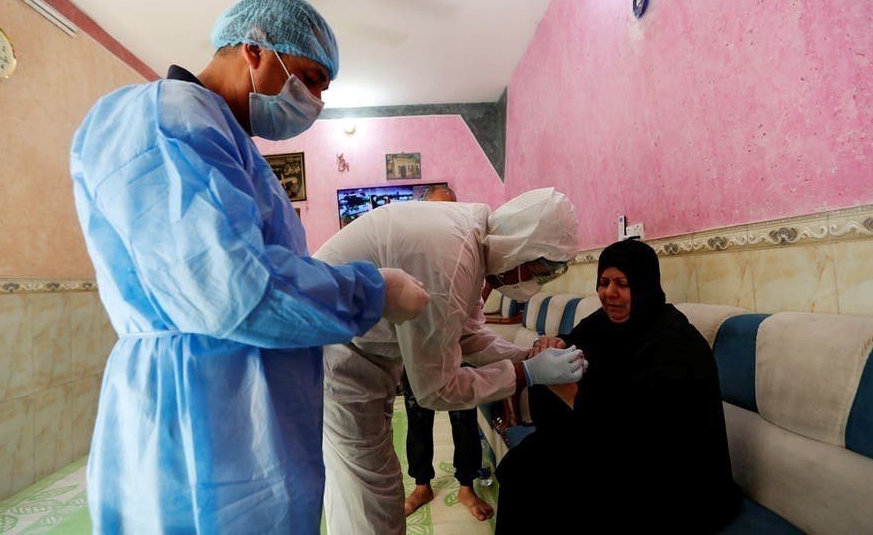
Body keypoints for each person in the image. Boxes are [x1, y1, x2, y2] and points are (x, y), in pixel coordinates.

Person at [69, 0, 428, 532]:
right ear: (254, 49)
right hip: (198, 415)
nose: (315, 101)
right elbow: (233, 288)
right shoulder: (163, 118)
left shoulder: (231, 146)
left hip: (250, 415)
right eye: (310, 78)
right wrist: (372, 291)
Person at [314, 187, 587, 534]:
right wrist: (526, 372)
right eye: (540, 272)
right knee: (371, 498)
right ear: (521, 249)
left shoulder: (470, 239)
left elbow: (466, 333)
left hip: (360, 353)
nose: (536, 284)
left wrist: (526, 354)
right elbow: (435, 390)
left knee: (360, 485)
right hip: (337, 355)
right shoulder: (452, 259)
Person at [494, 238, 742, 534]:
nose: (609, 293)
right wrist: (554, 344)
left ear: (644, 286)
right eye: (603, 282)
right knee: (523, 465)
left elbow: (639, 429)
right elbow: (575, 342)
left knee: (542, 484)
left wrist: (571, 395)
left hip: (672, 480)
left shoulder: (677, 342)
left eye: (622, 283)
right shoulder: (605, 322)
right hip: (612, 451)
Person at [399, 183, 492, 521]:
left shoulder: (465, 248)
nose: (446, 217)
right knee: (417, 416)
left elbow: (475, 301)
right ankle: (421, 484)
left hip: (457, 342)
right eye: (438, 209)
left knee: (464, 414)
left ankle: (467, 485)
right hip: (417, 343)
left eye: (452, 208)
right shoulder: (410, 245)